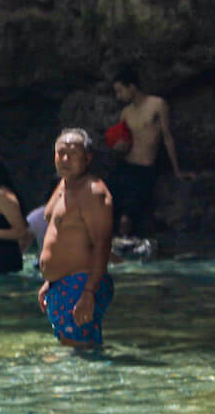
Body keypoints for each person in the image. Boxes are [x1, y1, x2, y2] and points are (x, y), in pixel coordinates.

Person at [38, 129, 114, 348]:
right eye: (60, 153)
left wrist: (89, 292)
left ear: (87, 158)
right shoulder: (63, 185)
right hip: (63, 284)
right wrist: (50, 281)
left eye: (72, 154)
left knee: (82, 356)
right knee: (71, 353)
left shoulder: (92, 192)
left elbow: (102, 244)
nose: (64, 159)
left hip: (81, 285)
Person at [109, 65, 191, 237]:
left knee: (128, 216)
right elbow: (123, 144)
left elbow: (167, 138)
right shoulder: (125, 113)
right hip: (126, 165)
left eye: (120, 91)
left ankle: (128, 242)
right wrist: (118, 148)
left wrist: (177, 170)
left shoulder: (157, 104)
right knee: (107, 202)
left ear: (131, 87)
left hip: (145, 167)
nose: (119, 96)